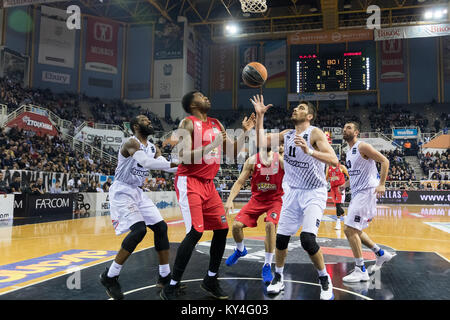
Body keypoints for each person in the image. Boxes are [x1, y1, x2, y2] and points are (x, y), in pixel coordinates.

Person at [160, 91, 255, 300]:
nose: (207, 98)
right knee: (195, 232)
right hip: (190, 181)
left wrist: (245, 133)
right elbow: (183, 158)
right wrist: (211, 146)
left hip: (209, 184)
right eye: (201, 96)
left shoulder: (216, 123)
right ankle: (171, 285)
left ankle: (211, 279)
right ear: (193, 104)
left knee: (221, 229)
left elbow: (231, 152)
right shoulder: (188, 123)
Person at [251, 95, 338, 300]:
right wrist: (260, 116)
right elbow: (261, 141)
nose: (294, 110)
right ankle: (278, 277)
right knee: (281, 239)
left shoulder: (314, 133)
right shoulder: (287, 134)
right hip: (292, 191)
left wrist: (308, 150)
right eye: (295, 108)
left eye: (299, 108)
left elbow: (333, 159)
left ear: (308, 116)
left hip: (314, 192)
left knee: (308, 240)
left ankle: (324, 279)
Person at [99, 115, 178, 300]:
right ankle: (110, 276)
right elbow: (148, 163)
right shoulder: (130, 143)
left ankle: (165, 275)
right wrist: (181, 164)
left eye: (149, 120)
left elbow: (165, 166)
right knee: (139, 230)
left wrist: (191, 166)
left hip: (137, 191)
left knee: (161, 228)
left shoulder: (153, 147)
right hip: (122, 190)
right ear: (135, 126)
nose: (149, 122)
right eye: (144, 120)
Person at [341, 121, 395, 282]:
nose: (345, 129)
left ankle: (361, 270)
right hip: (357, 193)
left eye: (349, 127)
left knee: (349, 229)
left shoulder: (362, 146)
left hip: (366, 192)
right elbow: (356, 174)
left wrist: (382, 184)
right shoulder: (348, 151)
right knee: (355, 230)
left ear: (356, 132)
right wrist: (345, 184)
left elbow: (385, 161)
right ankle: (380, 253)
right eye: (344, 128)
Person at [224, 145, 284, 285]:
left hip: (274, 200)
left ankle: (267, 265)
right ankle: (240, 250)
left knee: (270, 225)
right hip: (256, 200)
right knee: (236, 226)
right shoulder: (252, 160)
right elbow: (239, 181)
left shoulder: (280, 160)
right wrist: (229, 199)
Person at [325, 162, 349, 230]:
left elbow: (350, 176)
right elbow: (326, 178)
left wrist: (346, 185)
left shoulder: (341, 167)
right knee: (336, 205)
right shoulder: (328, 168)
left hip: (340, 188)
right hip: (333, 188)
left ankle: (338, 223)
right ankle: (345, 217)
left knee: (338, 204)